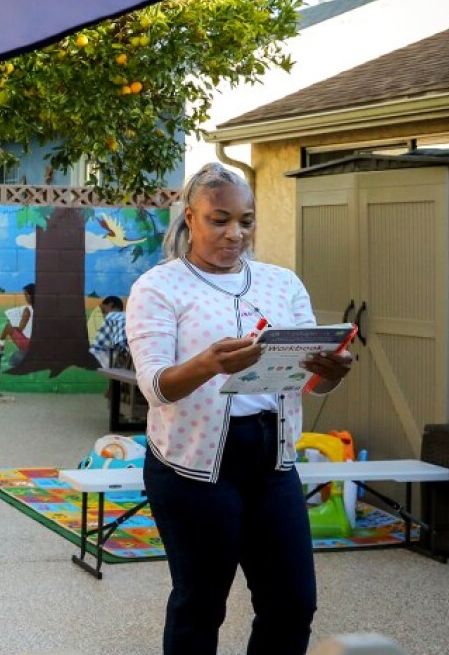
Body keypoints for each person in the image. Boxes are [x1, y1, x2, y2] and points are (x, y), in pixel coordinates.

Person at [126, 162, 354, 655]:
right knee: (201, 605)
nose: (236, 233)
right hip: (193, 467)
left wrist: (330, 372)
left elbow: (308, 380)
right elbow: (156, 387)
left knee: (292, 604)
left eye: (246, 220)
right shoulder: (158, 288)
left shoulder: (282, 283)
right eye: (219, 219)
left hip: (273, 460)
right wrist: (209, 363)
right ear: (191, 218)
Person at [0, 283, 34, 361]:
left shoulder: (27, 310)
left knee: (9, 326)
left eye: (26, 295)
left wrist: (13, 323)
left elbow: (20, 329)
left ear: (32, 295)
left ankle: (0, 344)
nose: (25, 297)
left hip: (28, 345)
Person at [89, 295, 127, 367]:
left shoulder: (98, 312)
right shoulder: (101, 314)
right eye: (116, 312)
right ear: (111, 305)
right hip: (100, 353)